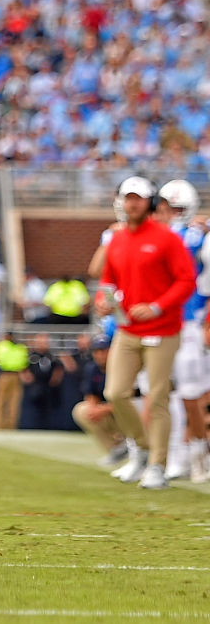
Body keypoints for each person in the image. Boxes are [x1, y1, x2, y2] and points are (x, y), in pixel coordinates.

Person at [96, 176, 196, 489]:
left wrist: (156, 306)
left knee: (157, 398)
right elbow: (108, 281)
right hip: (128, 329)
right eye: (128, 198)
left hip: (163, 330)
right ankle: (141, 448)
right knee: (115, 393)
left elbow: (186, 281)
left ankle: (157, 465)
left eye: (138, 198)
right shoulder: (118, 240)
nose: (132, 204)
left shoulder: (167, 238)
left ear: (149, 202)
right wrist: (103, 301)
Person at [155, 180, 210, 483]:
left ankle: (198, 451)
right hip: (164, 320)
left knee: (189, 393)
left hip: (191, 322)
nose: (170, 213)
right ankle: (177, 455)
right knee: (168, 393)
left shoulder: (193, 236)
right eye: (167, 207)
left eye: (176, 208)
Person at [70, 335, 127, 467]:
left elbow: (132, 397)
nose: (100, 355)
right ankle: (116, 450)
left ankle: (133, 446)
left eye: (104, 350)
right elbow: (90, 394)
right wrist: (94, 409)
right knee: (82, 410)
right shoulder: (92, 368)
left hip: (124, 411)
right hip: (108, 412)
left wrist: (105, 409)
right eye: (97, 351)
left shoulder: (122, 367)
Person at [21, 333, 64, 430]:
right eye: (40, 342)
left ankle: (49, 427)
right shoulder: (31, 356)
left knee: (49, 409)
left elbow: (59, 368)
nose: (42, 344)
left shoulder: (51, 356)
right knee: (34, 409)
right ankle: (32, 427)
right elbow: (23, 368)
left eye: (44, 342)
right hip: (35, 386)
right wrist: (26, 377)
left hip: (48, 387)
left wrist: (55, 378)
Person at [0, 331, 29, 429]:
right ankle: (0, 426)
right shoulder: (19, 347)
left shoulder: (15, 347)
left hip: (13, 375)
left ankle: (9, 426)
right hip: (6, 374)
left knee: (12, 402)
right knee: (3, 402)